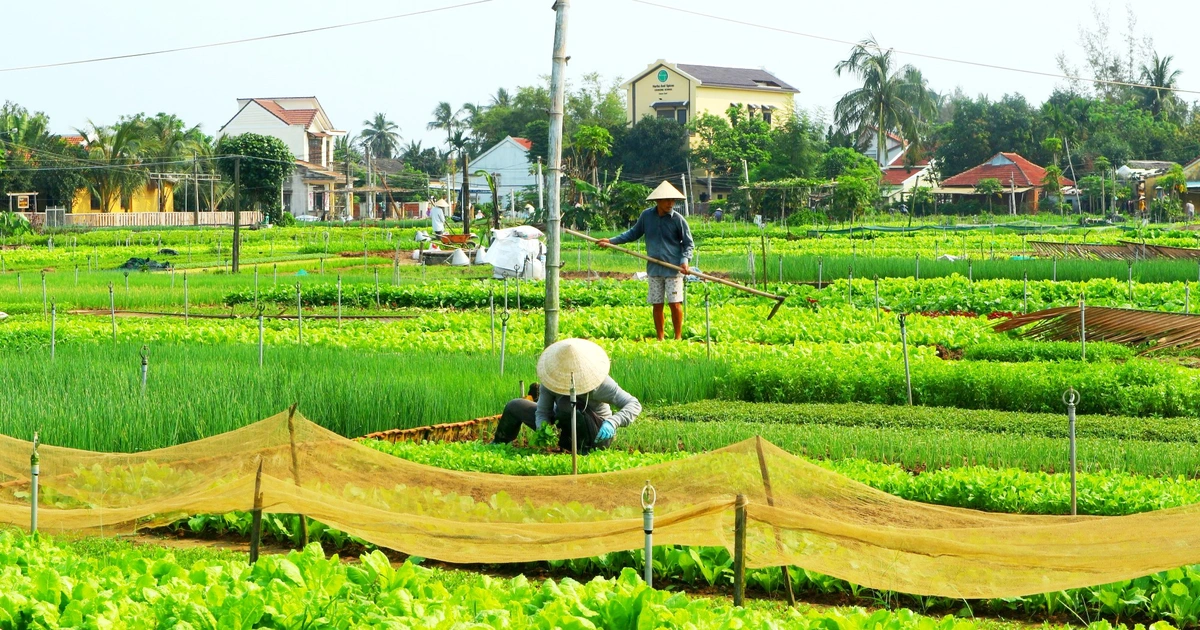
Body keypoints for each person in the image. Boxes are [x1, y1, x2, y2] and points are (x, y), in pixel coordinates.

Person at [491, 338, 641, 453]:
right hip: (562, 424)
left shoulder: (600, 383)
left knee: (567, 404)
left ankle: (584, 452)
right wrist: (543, 429)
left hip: (595, 435)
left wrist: (613, 422)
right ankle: (497, 447)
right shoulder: (552, 380)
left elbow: (633, 404)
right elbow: (543, 412)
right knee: (515, 406)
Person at [597, 181, 695, 341]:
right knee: (657, 304)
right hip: (654, 269)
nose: (670, 204)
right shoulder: (647, 216)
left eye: (673, 201)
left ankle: (678, 337)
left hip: (673, 269)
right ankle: (660, 338)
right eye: (667, 200)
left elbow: (688, 243)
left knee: (675, 303)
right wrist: (611, 241)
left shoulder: (678, 220)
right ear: (658, 201)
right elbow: (633, 233)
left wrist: (684, 260)